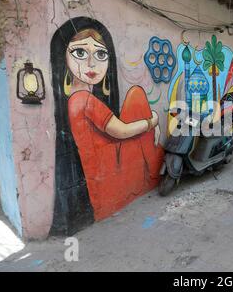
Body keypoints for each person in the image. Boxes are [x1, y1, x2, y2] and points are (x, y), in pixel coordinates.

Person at [63, 28, 164, 220]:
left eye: (100, 54)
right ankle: (154, 166)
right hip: (107, 169)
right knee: (136, 95)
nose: (91, 63)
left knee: (136, 96)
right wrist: (152, 122)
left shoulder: (76, 99)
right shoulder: (83, 100)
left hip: (106, 165)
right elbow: (122, 131)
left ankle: (155, 162)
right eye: (80, 53)